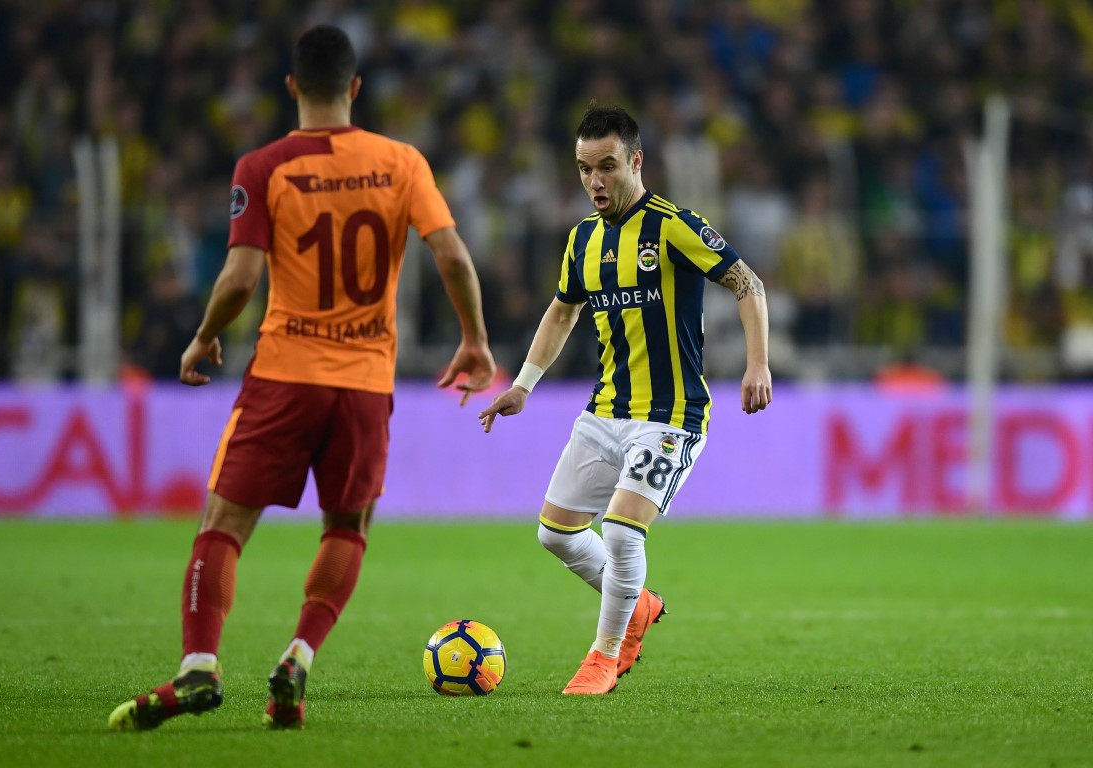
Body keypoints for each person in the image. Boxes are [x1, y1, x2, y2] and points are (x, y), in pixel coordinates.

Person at [109, 25, 495, 731]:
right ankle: (298, 655)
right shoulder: (401, 161)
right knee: (348, 525)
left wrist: (203, 336)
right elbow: (453, 257)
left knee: (224, 525)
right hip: (366, 383)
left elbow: (240, 278)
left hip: (285, 374)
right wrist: (474, 339)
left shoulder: (263, 166)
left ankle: (199, 665)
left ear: (291, 87)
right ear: (355, 88)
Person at [478, 103, 771, 695]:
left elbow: (747, 282)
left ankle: (604, 657)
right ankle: (636, 603)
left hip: (671, 416)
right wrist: (523, 385)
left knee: (619, 532)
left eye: (607, 166)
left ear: (636, 161)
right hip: (605, 411)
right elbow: (562, 311)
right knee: (555, 533)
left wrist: (757, 363)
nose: (595, 181)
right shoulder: (582, 238)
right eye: (585, 169)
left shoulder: (673, 225)